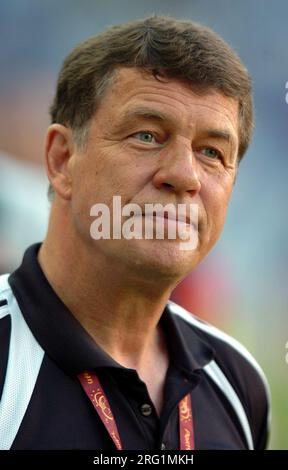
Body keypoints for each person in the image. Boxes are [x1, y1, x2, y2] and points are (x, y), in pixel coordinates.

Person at [0, 16, 270, 450]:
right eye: (147, 135)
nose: (185, 176)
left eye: (211, 152)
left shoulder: (239, 384)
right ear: (62, 160)